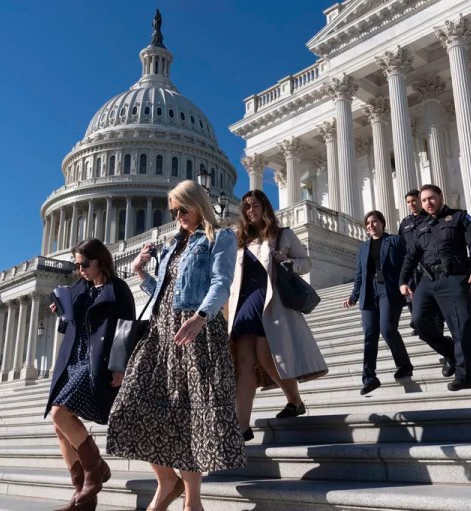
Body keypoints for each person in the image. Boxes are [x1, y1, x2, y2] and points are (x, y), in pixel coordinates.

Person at [107, 180, 245, 511]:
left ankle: (192, 501)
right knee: (129, 407)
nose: (178, 215)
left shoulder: (219, 237)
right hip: (161, 332)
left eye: (182, 208)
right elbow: (165, 291)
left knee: (188, 418)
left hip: (195, 332)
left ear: (198, 204)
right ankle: (168, 480)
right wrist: (142, 274)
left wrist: (201, 316)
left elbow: (221, 283)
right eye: (173, 210)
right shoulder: (171, 245)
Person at [44, 239, 136, 511]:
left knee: (59, 413)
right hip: (74, 359)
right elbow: (70, 327)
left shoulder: (117, 288)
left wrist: (120, 364)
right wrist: (61, 314)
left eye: (85, 264)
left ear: (101, 261)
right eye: (77, 264)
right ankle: (82, 496)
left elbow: (126, 328)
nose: (80, 269)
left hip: (97, 361)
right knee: (59, 426)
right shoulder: (79, 289)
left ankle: (96, 469)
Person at [229, 190, 328, 439]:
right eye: (247, 207)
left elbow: (306, 262)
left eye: (255, 205)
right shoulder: (239, 239)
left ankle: (295, 400)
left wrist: (288, 262)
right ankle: (241, 426)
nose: (251, 211)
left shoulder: (283, 234)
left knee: (266, 356)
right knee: (243, 365)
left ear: (265, 207)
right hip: (243, 303)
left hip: (270, 301)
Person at [399, 184, 471, 391]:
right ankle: (450, 352)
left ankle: (465, 376)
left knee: (460, 326)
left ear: (440, 197)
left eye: (431, 198)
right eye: (424, 200)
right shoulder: (421, 227)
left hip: (454, 277)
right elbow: (411, 256)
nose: (428, 203)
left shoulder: (459, 217)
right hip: (428, 281)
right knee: (419, 321)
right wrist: (402, 281)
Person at [344, 210, 412, 396]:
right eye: (368, 223)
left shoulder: (396, 241)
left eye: (374, 222)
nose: (371, 225)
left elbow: (408, 263)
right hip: (368, 292)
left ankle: (404, 365)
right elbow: (359, 274)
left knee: (387, 329)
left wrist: (407, 284)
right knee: (369, 334)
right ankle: (369, 378)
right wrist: (353, 296)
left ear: (382, 223)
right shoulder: (363, 247)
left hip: (389, 290)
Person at [398, 189, 446, 337]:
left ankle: (438, 326)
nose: (411, 204)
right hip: (412, 266)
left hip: (428, 265)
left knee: (434, 299)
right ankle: (418, 323)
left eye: (414, 201)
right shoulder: (405, 223)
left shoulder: (429, 218)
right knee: (412, 297)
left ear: (420, 201)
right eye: (408, 202)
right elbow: (401, 244)